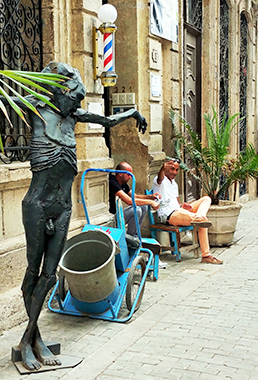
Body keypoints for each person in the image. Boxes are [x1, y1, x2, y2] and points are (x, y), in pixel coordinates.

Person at [1, 61, 148, 371]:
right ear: (57, 91)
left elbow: (107, 120)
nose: (77, 103)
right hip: (38, 206)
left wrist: (133, 113)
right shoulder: (36, 110)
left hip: (63, 207)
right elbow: (5, 98)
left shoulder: (74, 118)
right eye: (74, 97)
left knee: (50, 275)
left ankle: (31, 339)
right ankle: (32, 342)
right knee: (32, 272)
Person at [153, 159, 223, 264]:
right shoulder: (160, 181)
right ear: (166, 168)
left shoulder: (174, 184)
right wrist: (162, 168)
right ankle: (206, 255)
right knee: (202, 221)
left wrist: (183, 205)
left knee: (206, 199)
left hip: (179, 210)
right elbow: (160, 177)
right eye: (172, 169)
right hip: (170, 215)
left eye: (176, 170)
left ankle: (199, 217)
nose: (174, 172)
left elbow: (177, 203)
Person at [109, 162, 160, 237]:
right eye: (128, 174)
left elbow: (134, 196)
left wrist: (150, 196)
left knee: (143, 206)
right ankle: (131, 237)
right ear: (120, 173)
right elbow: (129, 201)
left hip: (119, 215)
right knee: (136, 210)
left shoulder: (123, 183)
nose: (130, 177)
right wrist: (150, 202)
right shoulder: (112, 182)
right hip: (112, 218)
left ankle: (136, 235)